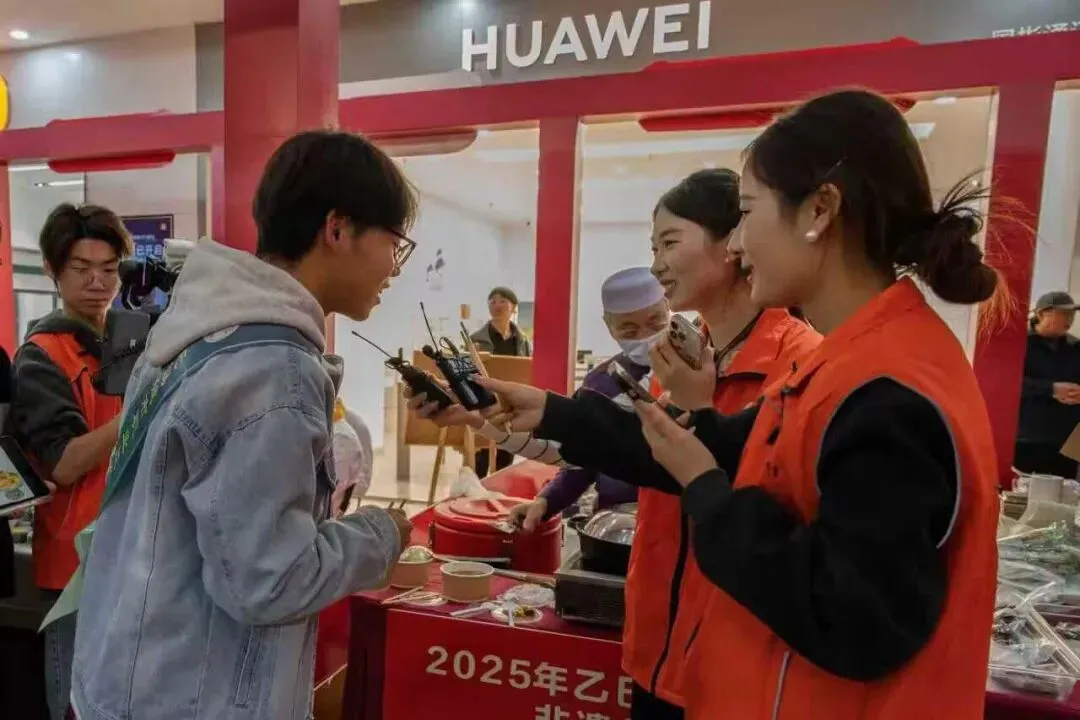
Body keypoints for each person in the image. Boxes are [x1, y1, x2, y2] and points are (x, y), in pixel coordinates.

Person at [424, 89, 1002, 719]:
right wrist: (552, 411)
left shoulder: (887, 390)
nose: (739, 243)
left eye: (747, 213)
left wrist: (707, 493)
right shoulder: (848, 364)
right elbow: (719, 444)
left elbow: (855, 618)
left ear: (820, 210)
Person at [415, 170, 820, 719]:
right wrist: (523, 418)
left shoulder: (797, 364)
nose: (657, 266)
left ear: (733, 243)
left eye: (669, 243)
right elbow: (636, 454)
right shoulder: (683, 356)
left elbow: (758, 504)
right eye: (653, 248)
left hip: (736, 660)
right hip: (657, 643)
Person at [70, 130, 414, 720]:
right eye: (395, 244)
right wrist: (384, 534)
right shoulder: (276, 369)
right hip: (196, 697)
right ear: (337, 229)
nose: (393, 269)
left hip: (128, 676)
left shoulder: (193, 334)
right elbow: (270, 581)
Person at [8, 203, 129, 720]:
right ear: (54, 271)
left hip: (130, 549)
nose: (98, 282)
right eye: (81, 268)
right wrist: (143, 409)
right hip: (73, 566)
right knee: (75, 701)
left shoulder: (127, 343)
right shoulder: (42, 355)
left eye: (109, 268)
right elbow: (64, 463)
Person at [509, 267, 666, 529]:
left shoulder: (700, 372)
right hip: (617, 521)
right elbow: (584, 460)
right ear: (609, 326)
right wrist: (546, 501)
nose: (644, 337)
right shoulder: (600, 383)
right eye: (628, 330)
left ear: (669, 308)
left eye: (655, 323)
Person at [1016, 291, 1080, 478]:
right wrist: (1050, 389)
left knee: (1065, 491)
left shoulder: (1076, 348)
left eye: (1072, 314)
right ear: (1041, 314)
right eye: (1063, 313)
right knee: (1023, 489)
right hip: (1027, 438)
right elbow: (1007, 384)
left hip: (1068, 442)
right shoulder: (1019, 345)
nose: (1069, 319)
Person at [470, 286, 532, 476]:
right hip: (486, 402)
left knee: (507, 452)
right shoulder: (476, 339)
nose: (497, 305)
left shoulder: (522, 341)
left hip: (511, 402)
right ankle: (478, 489)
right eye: (493, 301)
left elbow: (526, 369)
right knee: (482, 454)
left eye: (503, 301)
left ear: (514, 307)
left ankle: (499, 489)